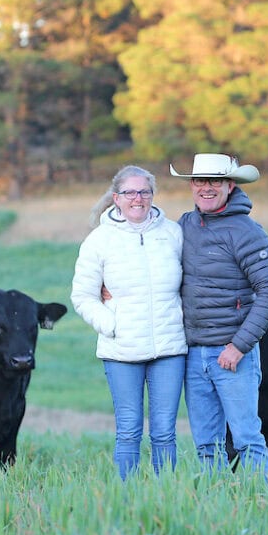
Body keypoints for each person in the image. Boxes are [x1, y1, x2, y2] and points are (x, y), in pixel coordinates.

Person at [169, 152, 268, 479]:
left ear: (230, 185)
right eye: (200, 181)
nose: (206, 188)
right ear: (191, 185)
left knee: (247, 438)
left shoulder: (247, 232)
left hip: (232, 354)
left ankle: (264, 506)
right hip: (193, 354)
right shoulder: (184, 226)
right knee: (206, 444)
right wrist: (111, 288)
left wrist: (239, 346)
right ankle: (216, 510)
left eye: (215, 181)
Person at [71, 165, 187, 481]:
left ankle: (167, 496)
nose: (138, 198)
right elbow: (82, 296)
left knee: (164, 432)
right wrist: (112, 325)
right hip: (120, 351)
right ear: (116, 198)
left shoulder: (172, 234)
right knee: (129, 430)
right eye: (130, 192)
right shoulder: (99, 241)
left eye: (144, 191)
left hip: (169, 349)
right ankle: (128, 496)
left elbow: (189, 284)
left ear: (152, 195)